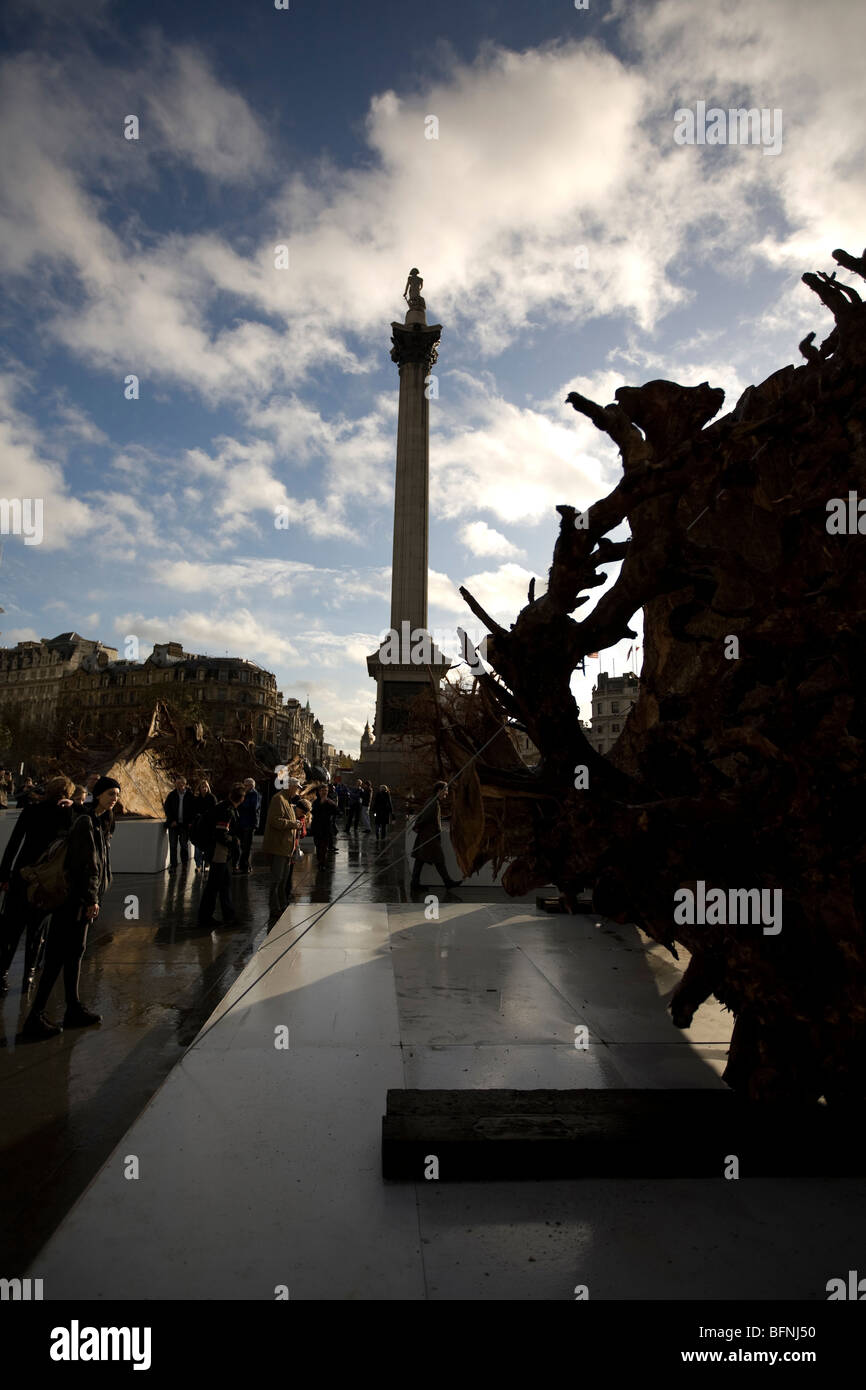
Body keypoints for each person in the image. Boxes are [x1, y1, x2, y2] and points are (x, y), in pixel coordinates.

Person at [22, 776, 120, 1040]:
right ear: (97, 795)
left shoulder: (100, 820)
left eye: (117, 794)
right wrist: (91, 899)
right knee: (57, 956)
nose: (115, 799)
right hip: (75, 900)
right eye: (111, 793)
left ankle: (73, 1007)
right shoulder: (86, 822)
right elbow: (86, 865)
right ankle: (36, 1016)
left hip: (82, 899)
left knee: (75, 952)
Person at [0, 776, 75, 994]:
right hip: (47, 881)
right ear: (67, 794)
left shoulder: (31, 810)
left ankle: (2, 973)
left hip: (23, 875)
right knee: (37, 931)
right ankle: (29, 977)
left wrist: (4, 874)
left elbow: (14, 844)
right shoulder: (67, 814)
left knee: (11, 930)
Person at [197, 783, 245, 929]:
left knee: (224, 884)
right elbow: (221, 834)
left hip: (219, 852)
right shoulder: (227, 811)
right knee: (214, 886)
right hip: (220, 852)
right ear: (242, 799)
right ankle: (205, 918)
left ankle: (228, 915)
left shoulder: (223, 806)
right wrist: (234, 840)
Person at [410, 781, 462, 891]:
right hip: (429, 837)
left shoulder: (433, 801)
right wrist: (418, 826)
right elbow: (425, 817)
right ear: (439, 790)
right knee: (438, 859)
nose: (446, 794)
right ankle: (447, 882)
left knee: (420, 859)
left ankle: (415, 884)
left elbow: (429, 817)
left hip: (427, 835)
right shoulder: (434, 802)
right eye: (445, 791)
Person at [262, 778, 299, 919]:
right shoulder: (278, 799)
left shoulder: (287, 800)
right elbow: (274, 821)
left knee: (283, 879)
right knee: (277, 879)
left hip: (286, 848)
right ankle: (274, 907)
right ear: (290, 786)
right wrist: (293, 824)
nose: (297, 790)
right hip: (278, 847)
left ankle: (282, 904)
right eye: (296, 787)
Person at [163, 776, 192, 871]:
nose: (178, 785)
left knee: (184, 845)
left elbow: (193, 810)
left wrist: (189, 822)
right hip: (173, 825)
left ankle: (184, 864)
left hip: (184, 825)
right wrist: (171, 821)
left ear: (184, 784)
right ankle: (173, 865)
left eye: (181, 784)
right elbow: (167, 808)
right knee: (173, 846)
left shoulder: (190, 795)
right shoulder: (171, 795)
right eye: (177, 784)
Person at [190, 779, 217, 872]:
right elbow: (193, 811)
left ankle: (207, 864)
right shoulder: (196, 799)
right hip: (198, 826)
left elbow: (214, 812)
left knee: (208, 847)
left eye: (205, 786)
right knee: (198, 846)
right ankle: (198, 865)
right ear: (199, 788)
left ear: (208, 788)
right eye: (202, 787)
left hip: (209, 826)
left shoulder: (212, 798)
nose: (204, 788)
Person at [235, 777, 261, 874]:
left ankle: (244, 865)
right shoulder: (244, 794)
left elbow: (252, 807)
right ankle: (245, 864)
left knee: (246, 846)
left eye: (246, 785)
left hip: (249, 823)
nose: (244, 786)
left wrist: (242, 803)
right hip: (242, 822)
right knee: (242, 845)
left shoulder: (255, 794)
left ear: (251, 786)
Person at [310, 785, 337, 867]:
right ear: (319, 792)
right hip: (317, 827)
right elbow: (313, 812)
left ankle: (322, 863)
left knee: (324, 847)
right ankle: (320, 860)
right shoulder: (315, 802)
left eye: (326, 790)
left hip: (326, 828)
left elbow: (337, 812)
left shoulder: (330, 802)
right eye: (322, 790)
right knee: (318, 845)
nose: (324, 792)